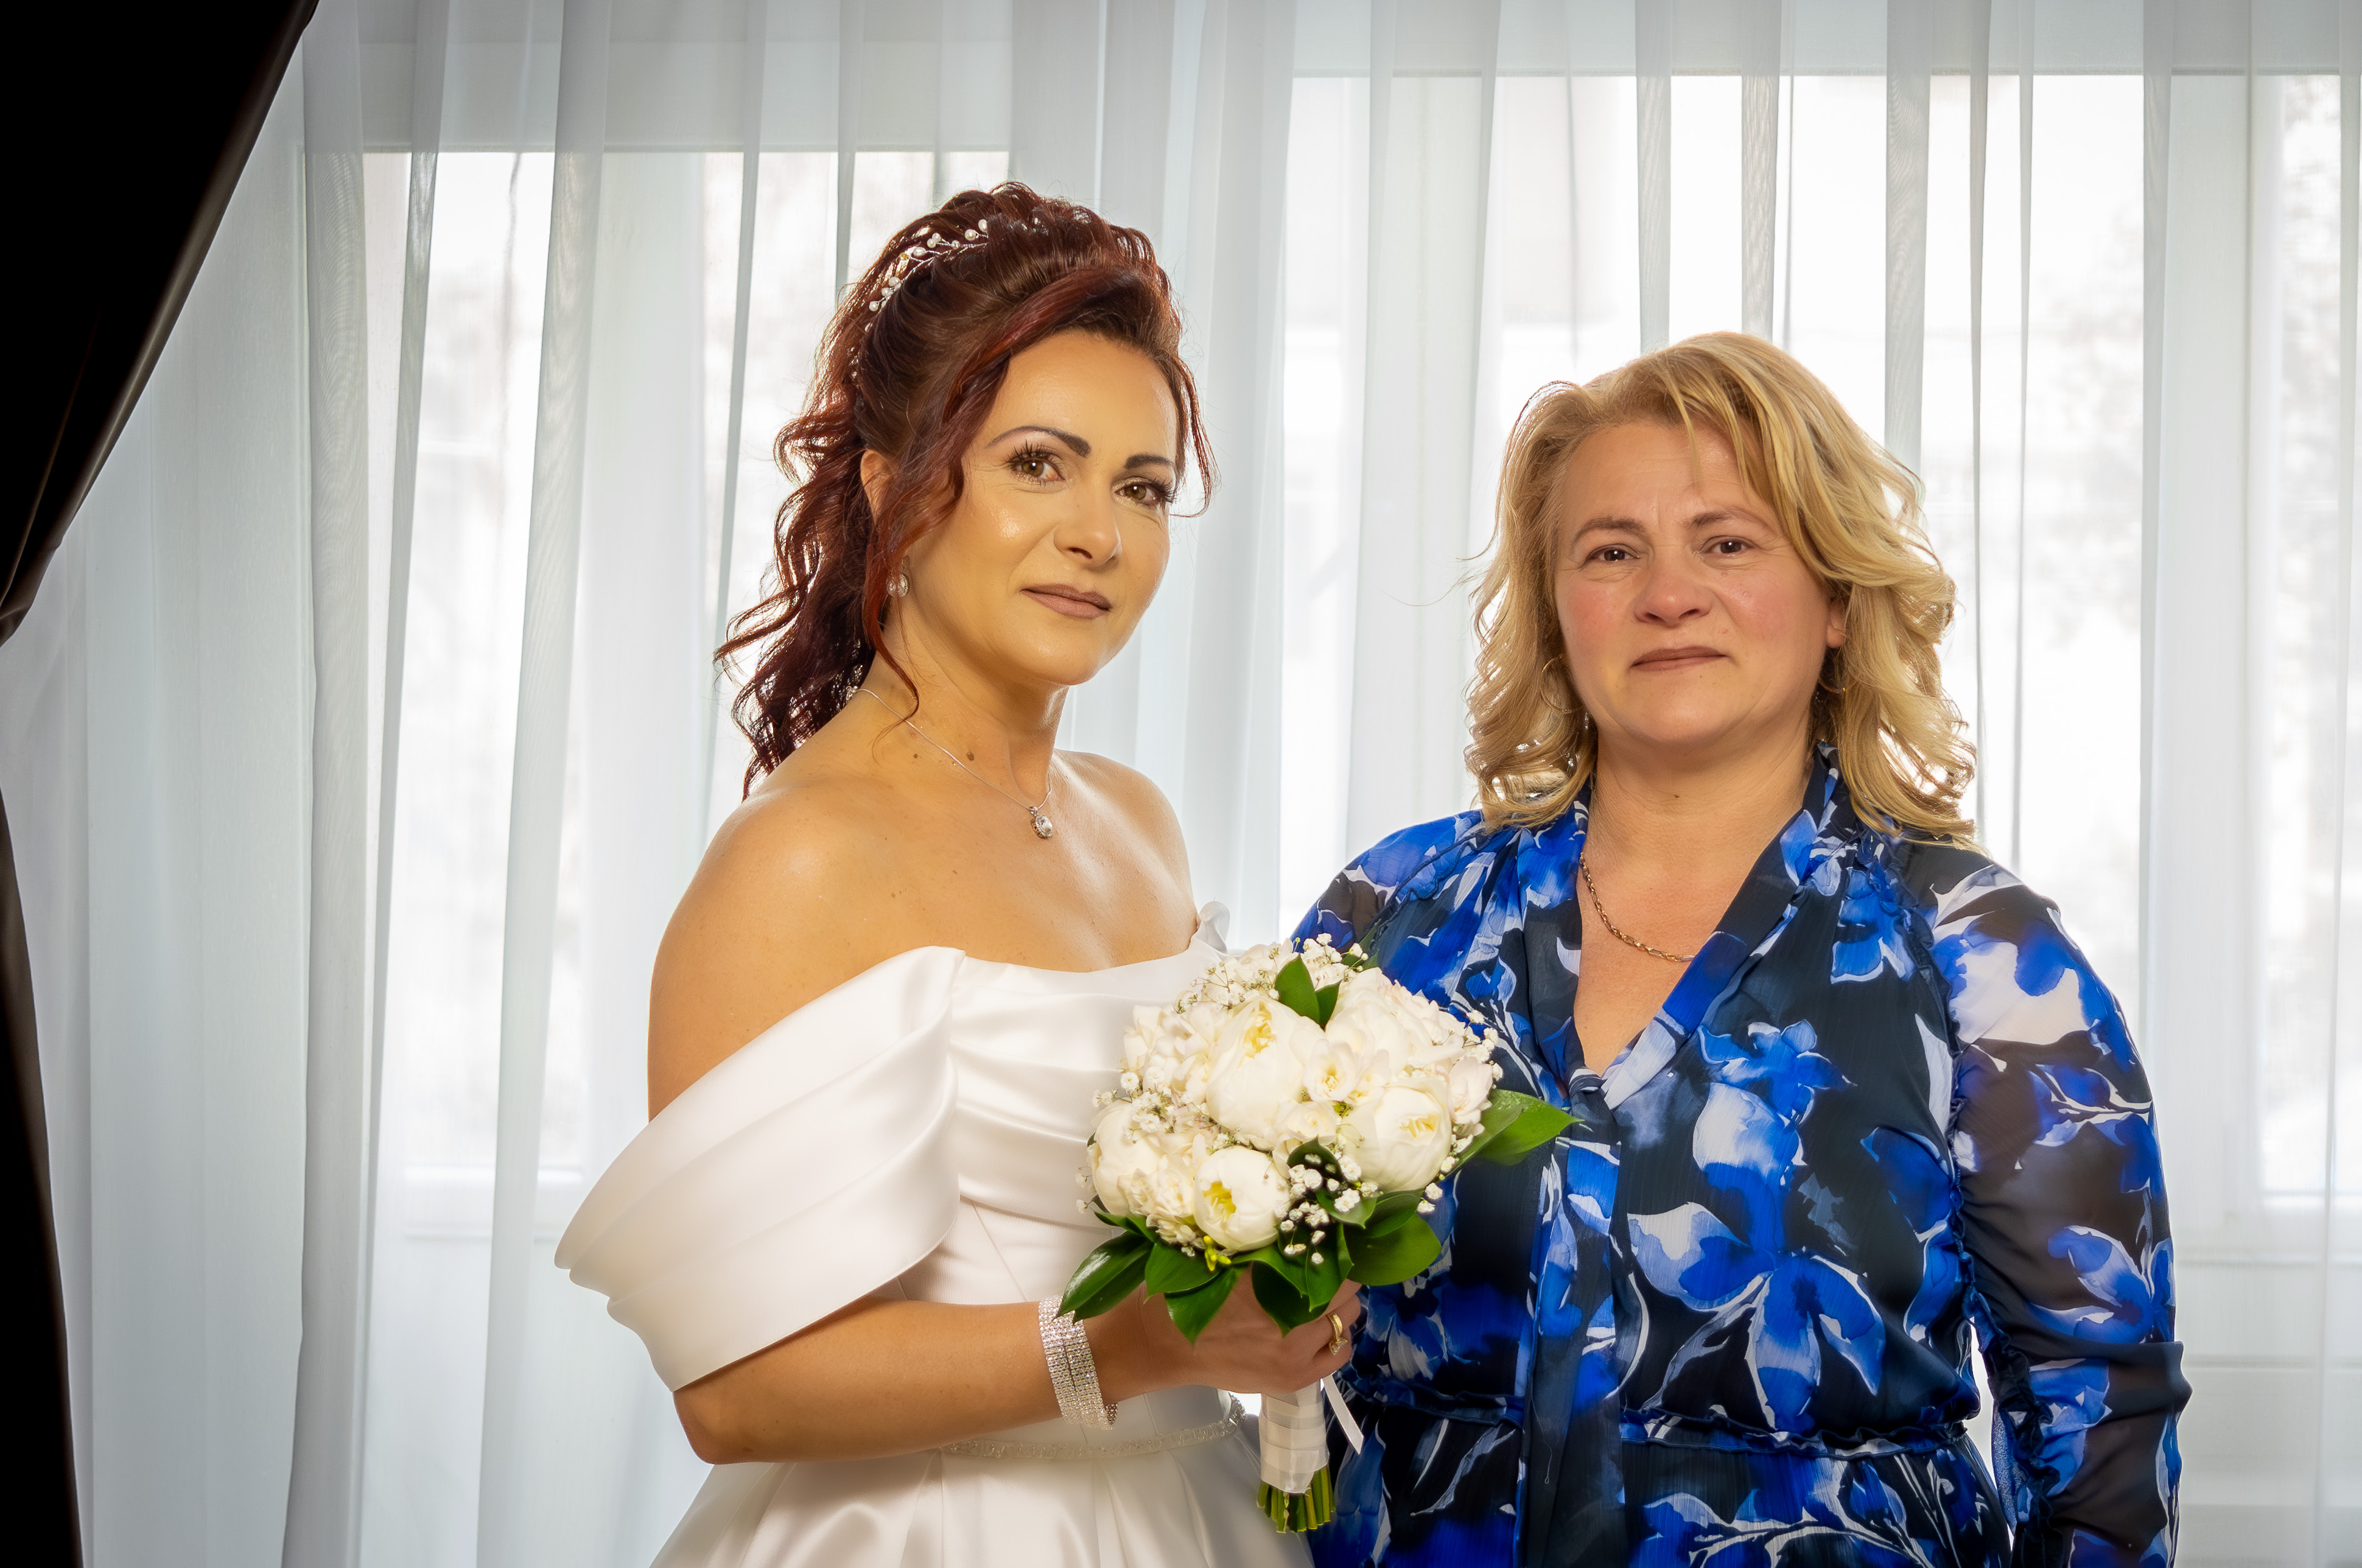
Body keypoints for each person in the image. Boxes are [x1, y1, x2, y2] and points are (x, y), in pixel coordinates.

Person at [1294, 333, 2187, 1566]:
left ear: (1836, 600)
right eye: (1611, 551)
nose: (1668, 594)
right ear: (1556, 611)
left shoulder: (1975, 951)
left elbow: (2098, 1422)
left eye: (1726, 543)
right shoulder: (1396, 911)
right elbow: (1273, 1328)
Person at [558, 184, 1348, 1567]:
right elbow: (731, 1393)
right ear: (895, 490)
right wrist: (1127, 1347)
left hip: (1194, 1512)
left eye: (1142, 487)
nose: (1098, 534)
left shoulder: (1139, 822)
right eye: (1038, 464)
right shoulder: (798, 858)